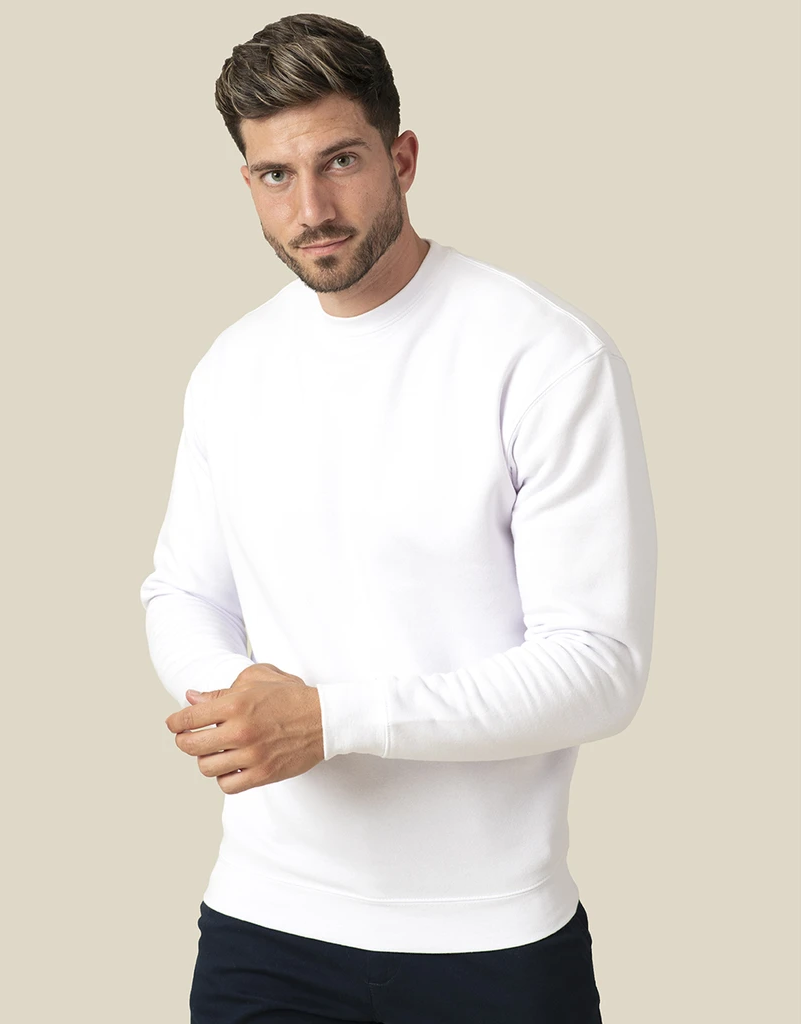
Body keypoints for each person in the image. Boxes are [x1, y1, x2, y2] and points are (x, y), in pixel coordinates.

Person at [139, 12, 657, 1024]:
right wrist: (240, 701)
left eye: (339, 161)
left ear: (401, 158)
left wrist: (328, 721)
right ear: (248, 183)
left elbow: (598, 667)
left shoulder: (544, 360)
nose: (312, 208)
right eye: (276, 175)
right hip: (263, 927)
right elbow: (182, 589)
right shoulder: (234, 367)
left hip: (488, 940)